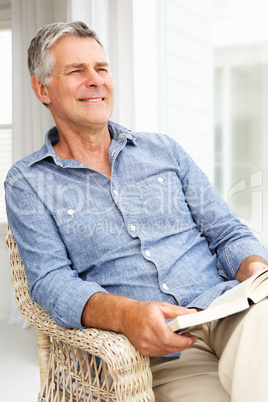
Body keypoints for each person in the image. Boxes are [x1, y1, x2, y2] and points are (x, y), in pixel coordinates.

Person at [4, 21, 268, 401]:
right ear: (42, 88)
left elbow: (225, 231)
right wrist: (128, 315)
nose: (95, 80)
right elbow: (51, 282)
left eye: (102, 68)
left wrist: (255, 272)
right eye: (77, 71)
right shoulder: (27, 182)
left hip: (232, 310)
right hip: (161, 351)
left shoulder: (164, 150)